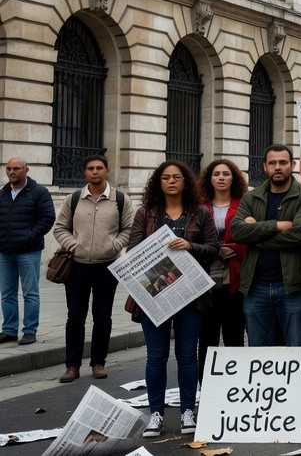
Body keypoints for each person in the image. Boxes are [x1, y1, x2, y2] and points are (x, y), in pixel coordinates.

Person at [133, 161, 218, 438]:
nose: (171, 181)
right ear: (158, 182)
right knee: (156, 356)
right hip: (155, 294)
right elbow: (133, 250)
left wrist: (190, 245)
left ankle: (187, 411)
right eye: (166, 177)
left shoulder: (200, 212)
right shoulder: (145, 213)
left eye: (177, 177)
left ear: (186, 182)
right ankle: (156, 414)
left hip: (190, 295)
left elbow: (213, 248)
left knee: (187, 355)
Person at [53, 154, 134, 383]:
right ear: (85, 172)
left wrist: (114, 246)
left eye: (99, 168)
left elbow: (129, 229)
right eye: (90, 168)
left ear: (106, 170)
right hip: (77, 267)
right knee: (75, 317)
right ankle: (72, 366)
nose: (95, 172)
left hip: (107, 267)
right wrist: (74, 245)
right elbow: (60, 228)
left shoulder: (120, 199)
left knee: (102, 317)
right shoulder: (74, 199)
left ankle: (98, 363)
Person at [230, 145, 301, 347]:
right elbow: (237, 232)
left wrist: (255, 236)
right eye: (272, 163)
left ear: (292, 165)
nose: (278, 167)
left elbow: (298, 235)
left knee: (297, 349)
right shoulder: (251, 196)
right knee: (258, 352)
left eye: (283, 162)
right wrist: (276, 226)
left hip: (292, 286)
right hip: (255, 286)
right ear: (264, 166)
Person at [196, 159, 247, 374]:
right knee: (207, 335)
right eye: (216, 174)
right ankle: (205, 383)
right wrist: (214, 249)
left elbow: (251, 238)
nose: (221, 178)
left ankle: (234, 383)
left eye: (226, 174)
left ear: (233, 178)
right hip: (205, 277)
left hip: (234, 276)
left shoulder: (244, 204)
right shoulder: (200, 206)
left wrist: (232, 248)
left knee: (234, 335)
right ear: (209, 179)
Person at [0, 157, 55, 346]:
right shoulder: (3, 193)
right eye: (8, 168)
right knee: (7, 293)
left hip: (29, 251)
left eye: (16, 168)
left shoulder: (38, 192)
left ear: (26, 170)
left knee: (30, 293)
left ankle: (30, 331)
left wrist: (29, 237)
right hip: (5, 252)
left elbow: (48, 218)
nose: (11, 172)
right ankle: (9, 330)